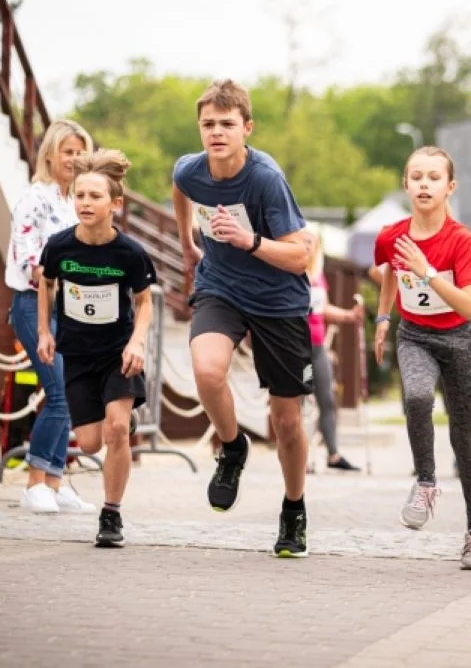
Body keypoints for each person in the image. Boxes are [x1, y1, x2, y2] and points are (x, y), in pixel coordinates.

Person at [172, 79, 313, 558]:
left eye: (227, 124)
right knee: (207, 370)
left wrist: (248, 240)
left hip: (279, 299)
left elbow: (301, 258)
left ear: (246, 128)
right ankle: (232, 448)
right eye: (208, 124)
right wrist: (188, 243)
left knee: (287, 422)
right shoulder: (192, 170)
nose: (217, 132)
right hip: (221, 288)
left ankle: (293, 509)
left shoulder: (266, 179)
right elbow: (179, 185)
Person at [373, 146, 471, 570]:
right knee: (417, 398)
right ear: (405, 185)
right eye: (416, 177)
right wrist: (383, 316)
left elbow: (469, 307)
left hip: (459, 340)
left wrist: (426, 272)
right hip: (414, 335)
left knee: (466, 442)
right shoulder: (391, 235)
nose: (424, 184)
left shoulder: (462, 242)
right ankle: (425, 482)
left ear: (449, 187)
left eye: (433, 177)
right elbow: (389, 268)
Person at [36, 149, 156, 547]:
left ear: (115, 204)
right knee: (90, 442)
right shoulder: (59, 246)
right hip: (78, 354)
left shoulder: (130, 253)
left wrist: (137, 341)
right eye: (80, 195)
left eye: (95, 196)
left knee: (117, 430)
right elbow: (46, 284)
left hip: (118, 353)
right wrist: (44, 332)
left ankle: (111, 514)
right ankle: (121, 424)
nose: (85, 203)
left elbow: (144, 301)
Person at [4, 119, 97, 515]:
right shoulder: (35, 198)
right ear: (51, 155)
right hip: (32, 305)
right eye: (68, 152)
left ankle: (56, 482)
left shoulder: (74, 203)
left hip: (70, 309)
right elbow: (30, 261)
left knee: (69, 396)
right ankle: (34, 482)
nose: (74, 160)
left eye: (80, 153)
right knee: (58, 393)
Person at [306, 231, 363, 471]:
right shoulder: (289, 271)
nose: (308, 247)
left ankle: (333, 454)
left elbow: (324, 308)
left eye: (312, 242)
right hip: (295, 344)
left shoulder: (318, 275)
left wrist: (349, 315)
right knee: (297, 402)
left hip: (318, 344)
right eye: (304, 242)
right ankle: (302, 456)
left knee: (327, 398)